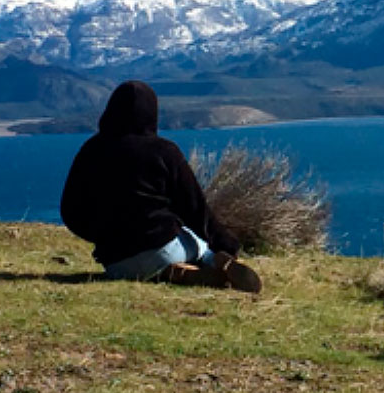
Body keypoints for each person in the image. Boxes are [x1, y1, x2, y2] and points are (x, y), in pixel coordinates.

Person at [60, 80, 261, 292]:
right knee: (200, 247)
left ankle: (176, 272)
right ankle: (213, 265)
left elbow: (70, 210)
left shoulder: (90, 150)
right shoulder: (164, 151)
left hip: (115, 263)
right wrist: (227, 244)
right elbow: (194, 209)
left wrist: (103, 237)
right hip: (164, 247)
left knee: (149, 261)